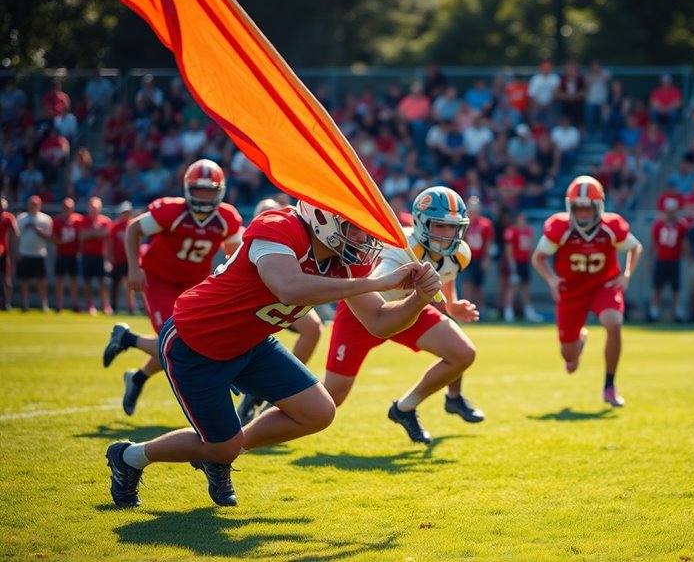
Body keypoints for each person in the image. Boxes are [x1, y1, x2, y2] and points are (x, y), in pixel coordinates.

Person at [104, 199, 442, 508]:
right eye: (355, 227)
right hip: (197, 343)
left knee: (318, 412)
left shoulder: (342, 259)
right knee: (223, 445)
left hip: (250, 343)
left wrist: (418, 299)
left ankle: (221, 452)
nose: (362, 237)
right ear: (325, 218)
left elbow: (380, 322)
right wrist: (377, 284)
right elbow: (288, 286)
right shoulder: (280, 226)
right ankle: (130, 457)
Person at [324, 187, 480, 444]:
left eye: (453, 227)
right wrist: (393, 280)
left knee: (462, 353)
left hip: (411, 309)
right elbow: (373, 285)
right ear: (421, 222)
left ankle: (404, 408)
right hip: (362, 315)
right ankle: (267, 400)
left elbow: (447, 273)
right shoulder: (401, 249)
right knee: (332, 398)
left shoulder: (460, 253)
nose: (448, 234)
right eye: (439, 226)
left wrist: (451, 305)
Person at [102, 160, 243, 416]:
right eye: (199, 190)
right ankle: (127, 339)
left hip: (194, 284)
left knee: (186, 341)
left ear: (220, 191)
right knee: (177, 341)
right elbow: (134, 228)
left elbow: (236, 252)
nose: (204, 196)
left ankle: (137, 376)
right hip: (159, 280)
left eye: (210, 190)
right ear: (188, 189)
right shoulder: (172, 211)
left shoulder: (226, 217)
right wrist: (134, 267)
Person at [531, 176, 643, 407]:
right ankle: (578, 342)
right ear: (570, 207)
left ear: (598, 207)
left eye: (587, 208)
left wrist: (627, 274)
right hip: (571, 291)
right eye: (578, 209)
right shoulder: (560, 228)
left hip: (604, 284)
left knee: (614, 323)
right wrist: (551, 280)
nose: (582, 214)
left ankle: (609, 385)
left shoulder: (611, 226)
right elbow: (539, 258)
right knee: (569, 358)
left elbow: (635, 247)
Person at [234, 197, 325, 426]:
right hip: (249, 307)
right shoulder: (259, 235)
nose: (271, 216)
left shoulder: (292, 236)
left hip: (280, 303)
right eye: (265, 213)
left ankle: (272, 390)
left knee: (312, 328)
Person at [649, 196, 688, 323]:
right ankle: (654, 312)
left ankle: (677, 313)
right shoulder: (659, 224)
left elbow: (684, 243)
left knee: (675, 288)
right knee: (657, 287)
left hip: (674, 260)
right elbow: (653, 242)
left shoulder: (681, 224)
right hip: (661, 259)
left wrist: (686, 256)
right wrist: (650, 260)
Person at [502, 211, 543, 323]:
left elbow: (529, 248)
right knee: (512, 287)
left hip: (524, 262)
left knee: (525, 287)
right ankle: (508, 311)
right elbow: (509, 249)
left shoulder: (527, 231)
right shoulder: (511, 230)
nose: (523, 221)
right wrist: (512, 266)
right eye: (521, 218)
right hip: (515, 263)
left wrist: (532, 261)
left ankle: (528, 311)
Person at [15, 196, 52, 312]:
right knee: (24, 280)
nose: (33, 206)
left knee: (41, 280)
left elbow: (48, 236)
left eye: (36, 204)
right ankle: (25, 304)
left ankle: (43, 304)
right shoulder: (21, 218)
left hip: (39, 253)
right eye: (31, 204)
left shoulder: (45, 219)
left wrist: (36, 228)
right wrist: (17, 252)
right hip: (24, 253)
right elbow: (16, 237)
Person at [78, 197, 114, 315]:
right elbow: (82, 236)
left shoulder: (105, 221)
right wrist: (99, 234)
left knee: (102, 282)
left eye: (96, 208)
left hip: (101, 256)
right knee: (87, 282)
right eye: (92, 207)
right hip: (87, 255)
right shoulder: (82, 220)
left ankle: (105, 305)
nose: (93, 210)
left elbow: (107, 235)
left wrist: (91, 233)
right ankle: (90, 305)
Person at [51, 198, 83, 313]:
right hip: (61, 254)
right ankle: (58, 305)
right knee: (59, 280)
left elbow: (81, 237)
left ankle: (75, 304)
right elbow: (53, 238)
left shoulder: (78, 220)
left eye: (69, 208)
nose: (67, 210)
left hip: (73, 255)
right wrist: (62, 241)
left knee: (73, 280)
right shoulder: (57, 220)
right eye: (65, 207)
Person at [461, 196, 493, 314]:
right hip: (467, 258)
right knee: (467, 284)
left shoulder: (485, 224)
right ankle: (465, 310)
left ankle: (480, 310)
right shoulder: (464, 223)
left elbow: (488, 243)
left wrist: (486, 259)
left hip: (479, 257)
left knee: (479, 286)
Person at [108, 202, 136, 314]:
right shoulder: (115, 226)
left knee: (130, 285)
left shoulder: (133, 226)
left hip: (129, 261)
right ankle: (113, 307)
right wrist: (109, 257)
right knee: (115, 284)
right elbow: (110, 242)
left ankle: (131, 306)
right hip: (117, 260)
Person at [0, 196, 20, 310]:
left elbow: (15, 233)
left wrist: (15, 251)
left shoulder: (8, 217)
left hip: (3, 251)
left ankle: (7, 301)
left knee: (6, 278)